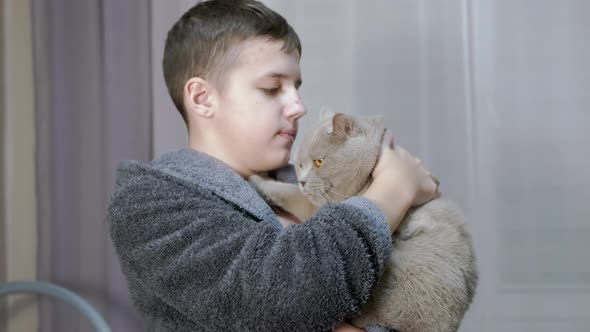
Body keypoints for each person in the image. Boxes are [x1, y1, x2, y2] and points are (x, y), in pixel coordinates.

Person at [107, 1, 439, 331]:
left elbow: (425, 288)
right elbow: (291, 295)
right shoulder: (150, 203)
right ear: (202, 98)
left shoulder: (310, 180)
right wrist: (397, 184)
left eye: (296, 88)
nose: (299, 106)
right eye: (272, 88)